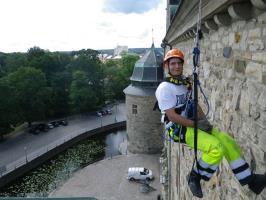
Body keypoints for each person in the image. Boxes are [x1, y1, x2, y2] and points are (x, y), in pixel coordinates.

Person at [155, 48, 266, 198]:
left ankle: (251, 180)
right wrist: (195, 124)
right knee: (216, 148)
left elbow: (193, 104)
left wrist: (203, 122)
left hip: (192, 122)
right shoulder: (164, 88)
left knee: (227, 142)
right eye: (172, 63)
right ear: (166, 66)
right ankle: (194, 176)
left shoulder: (184, 83)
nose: (176, 66)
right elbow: (172, 116)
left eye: (179, 63)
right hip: (178, 129)